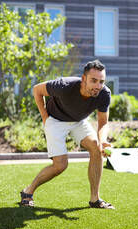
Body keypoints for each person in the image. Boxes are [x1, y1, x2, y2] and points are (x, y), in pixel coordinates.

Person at [20, 59, 114, 209]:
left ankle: (95, 199)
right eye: (94, 81)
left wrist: (102, 141)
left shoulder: (104, 93)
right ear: (84, 79)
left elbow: (103, 122)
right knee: (60, 165)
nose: (98, 86)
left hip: (78, 121)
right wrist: (45, 118)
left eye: (101, 81)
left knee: (96, 148)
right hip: (56, 120)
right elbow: (37, 90)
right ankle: (27, 192)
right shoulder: (64, 85)